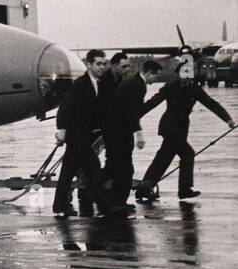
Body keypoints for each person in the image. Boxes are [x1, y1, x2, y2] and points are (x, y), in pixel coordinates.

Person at [137, 55, 235, 201]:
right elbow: (153, 102)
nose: (187, 77)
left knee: (163, 158)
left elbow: (211, 103)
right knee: (187, 154)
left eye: (189, 73)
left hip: (181, 129)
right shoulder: (170, 87)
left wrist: (228, 119)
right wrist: (135, 114)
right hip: (169, 128)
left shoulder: (194, 89)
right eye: (184, 73)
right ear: (179, 73)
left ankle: (144, 188)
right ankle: (184, 189)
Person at [53, 49, 115, 217]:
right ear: (88, 65)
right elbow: (65, 107)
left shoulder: (98, 83)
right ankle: (103, 206)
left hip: (85, 135)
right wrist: (62, 130)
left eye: (104, 64)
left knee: (68, 170)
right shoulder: (81, 84)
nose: (102, 67)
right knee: (93, 167)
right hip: (76, 135)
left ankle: (59, 206)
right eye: (98, 64)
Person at [101, 59, 161, 208]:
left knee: (118, 167)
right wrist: (139, 135)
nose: (156, 79)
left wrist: (155, 101)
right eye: (155, 76)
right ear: (148, 73)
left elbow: (135, 111)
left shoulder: (134, 82)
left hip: (115, 130)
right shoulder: (138, 86)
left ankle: (116, 200)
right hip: (119, 132)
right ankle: (111, 197)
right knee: (124, 168)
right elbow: (132, 113)